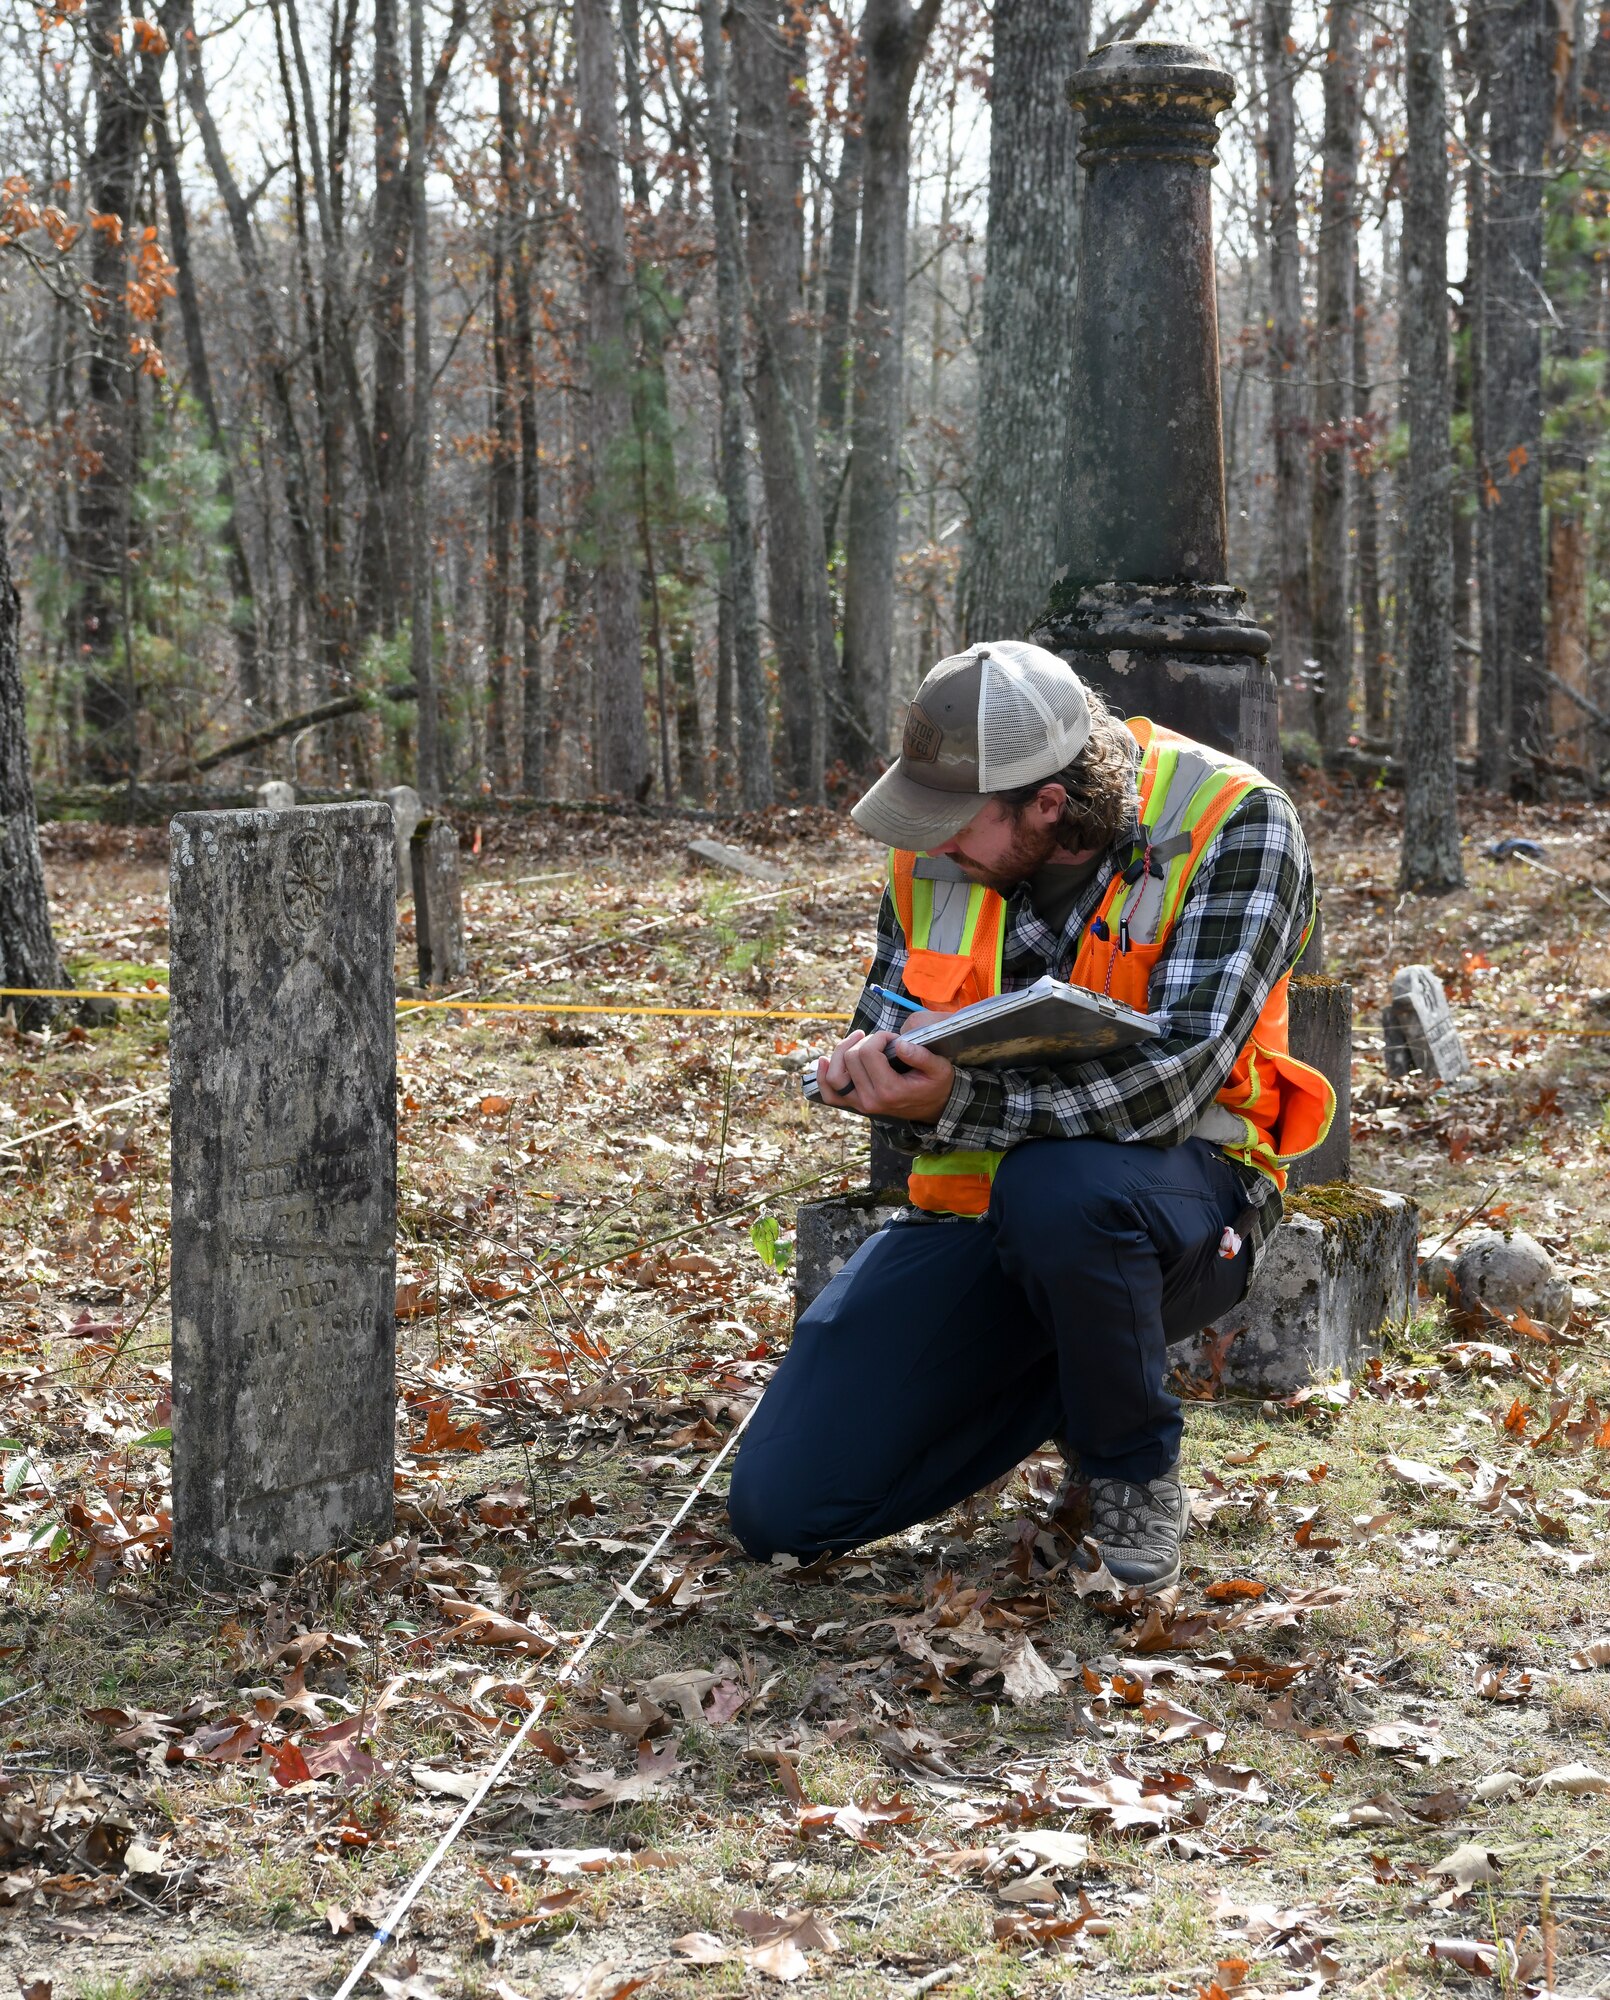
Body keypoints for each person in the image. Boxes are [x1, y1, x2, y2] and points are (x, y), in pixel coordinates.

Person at [727, 640, 1334, 1591]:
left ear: (1048, 803)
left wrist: (961, 1099)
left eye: (957, 826)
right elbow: (891, 1020)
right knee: (781, 1513)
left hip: (1186, 1199)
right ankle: (1077, 1368)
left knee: (1066, 1190)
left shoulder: (1237, 822)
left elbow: (1174, 1084)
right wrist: (871, 1074)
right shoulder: (935, 851)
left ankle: (1129, 1463)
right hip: (975, 1215)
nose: (933, 847)